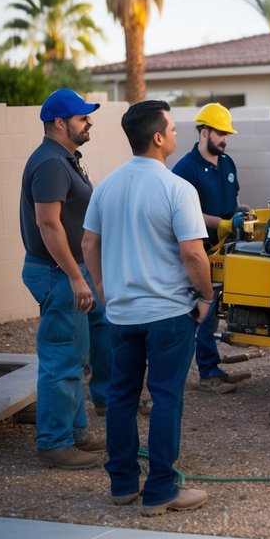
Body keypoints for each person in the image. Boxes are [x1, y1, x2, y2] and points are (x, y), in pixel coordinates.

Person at [82, 100, 214, 515]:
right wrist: (207, 297)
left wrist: (104, 291)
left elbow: (89, 243)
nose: (177, 135)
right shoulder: (177, 188)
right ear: (158, 138)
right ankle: (161, 491)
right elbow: (193, 254)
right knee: (165, 397)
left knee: (121, 397)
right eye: (173, 129)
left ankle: (122, 485)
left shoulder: (107, 184)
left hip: (122, 315)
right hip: (169, 315)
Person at [19, 89, 110, 469]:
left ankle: (73, 433)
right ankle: (54, 442)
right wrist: (76, 276)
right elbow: (47, 223)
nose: (89, 121)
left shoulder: (65, 158)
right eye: (82, 117)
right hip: (59, 273)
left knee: (78, 349)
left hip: (70, 270)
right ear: (60, 122)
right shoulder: (52, 163)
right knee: (62, 357)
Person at [171, 102, 251, 393]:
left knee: (215, 308)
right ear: (204, 131)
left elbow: (233, 200)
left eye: (226, 134)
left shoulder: (227, 163)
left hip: (228, 248)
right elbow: (184, 214)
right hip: (200, 248)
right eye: (220, 133)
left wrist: (241, 211)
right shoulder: (185, 169)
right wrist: (221, 223)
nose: (225, 139)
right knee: (201, 308)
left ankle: (210, 365)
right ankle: (207, 373)